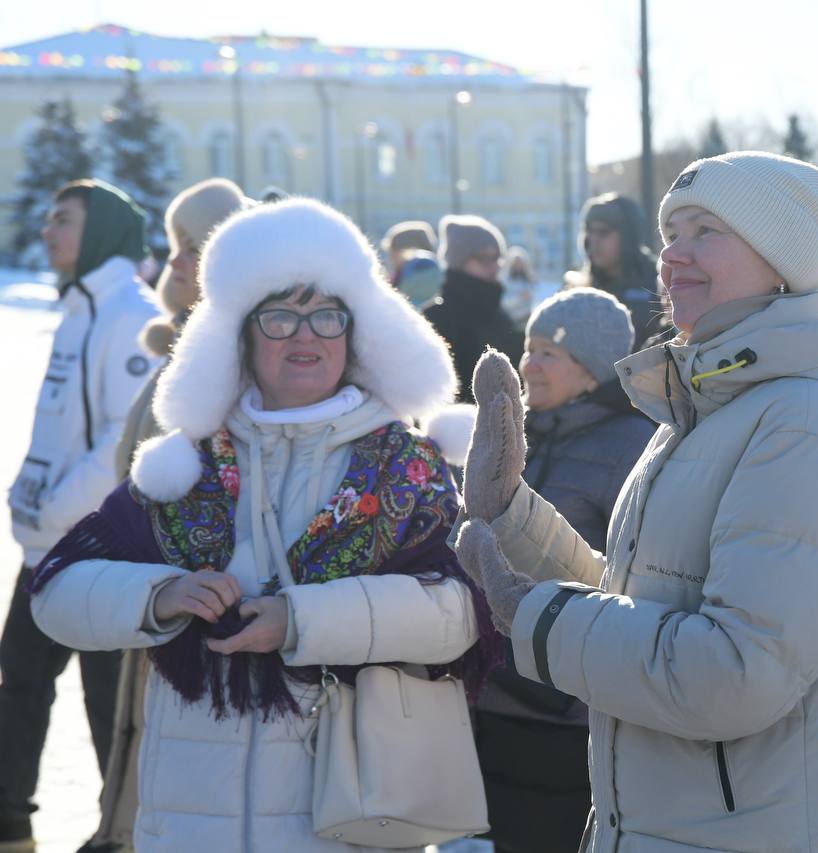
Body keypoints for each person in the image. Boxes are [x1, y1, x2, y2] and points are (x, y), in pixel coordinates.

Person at [451, 150, 818, 852]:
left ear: (779, 259)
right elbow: (642, 605)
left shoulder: (803, 423)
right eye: (671, 232)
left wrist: (536, 614)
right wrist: (514, 521)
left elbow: (735, 673)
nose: (673, 254)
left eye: (706, 230)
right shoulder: (710, 406)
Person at [27, 197, 498, 853]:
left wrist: (302, 620)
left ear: (354, 333)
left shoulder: (403, 466)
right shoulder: (187, 466)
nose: (305, 335)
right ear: (242, 337)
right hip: (187, 827)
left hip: (342, 823)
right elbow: (55, 590)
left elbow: (460, 611)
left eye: (326, 315)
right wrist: (160, 594)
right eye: (279, 317)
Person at [74, 178, 249, 853]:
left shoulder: (228, 367)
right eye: (175, 246)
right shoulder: (181, 356)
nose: (175, 262)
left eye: (193, 247)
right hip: (154, 599)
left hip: (197, 616)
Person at [0, 179, 162, 851]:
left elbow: (123, 444)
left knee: (108, 703)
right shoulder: (79, 307)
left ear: (98, 231)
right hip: (47, 545)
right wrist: (26, 490)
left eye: (62, 219)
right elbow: (59, 424)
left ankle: (121, 831)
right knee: (20, 685)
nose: (48, 231)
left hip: (97, 551)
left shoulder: (130, 313)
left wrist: (59, 508)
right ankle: (10, 821)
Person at [474, 288, 654, 853]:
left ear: (591, 370)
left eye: (549, 353)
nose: (529, 364)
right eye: (528, 349)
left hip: (566, 710)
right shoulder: (513, 437)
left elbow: (632, 571)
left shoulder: (632, 446)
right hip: (493, 694)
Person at [425, 215, 523, 402]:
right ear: (459, 260)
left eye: (498, 258)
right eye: (485, 258)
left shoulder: (498, 314)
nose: (495, 266)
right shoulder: (437, 318)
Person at [567, 192, 667, 347]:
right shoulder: (578, 287)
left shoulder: (660, 282)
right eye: (589, 232)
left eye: (603, 232)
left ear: (628, 237)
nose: (594, 241)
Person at [381, 220, 442, 310]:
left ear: (404, 252)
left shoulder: (419, 277)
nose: (390, 258)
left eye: (393, 252)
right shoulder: (401, 277)